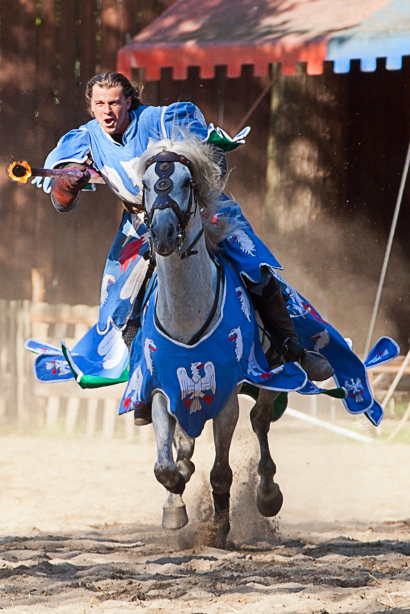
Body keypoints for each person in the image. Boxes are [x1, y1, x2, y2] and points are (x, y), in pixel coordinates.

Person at [35, 72, 338, 425]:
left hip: (200, 209)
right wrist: (69, 183)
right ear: (91, 106)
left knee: (255, 266)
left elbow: (213, 158)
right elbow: (60, 201)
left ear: (129, 101)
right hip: (140, 225)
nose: (107, 111)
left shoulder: (163, 119)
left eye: (115, 102)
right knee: (118, 301)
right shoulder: (84, 139)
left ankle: (291, 349)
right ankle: (144, 382)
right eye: (99, 104)